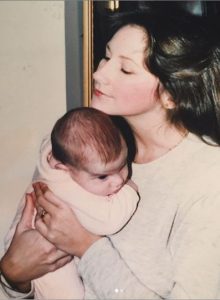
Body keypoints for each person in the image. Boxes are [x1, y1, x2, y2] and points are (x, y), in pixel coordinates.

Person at [1, 7, 220, 299]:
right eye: (106, 56)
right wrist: (13, 276)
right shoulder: (83, 143)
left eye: (125, 69)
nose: (98, 73)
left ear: (172, 94)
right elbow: (25, 261)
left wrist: (86, 247)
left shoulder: (208, 180)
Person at [2, 107, 139, 299]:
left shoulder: (59, 156)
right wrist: (129, 192)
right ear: (63, 168)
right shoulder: (66, 187)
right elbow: (109, 220)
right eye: (102, 177)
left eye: (123, 165)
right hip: (45, 260)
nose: (118, 180)